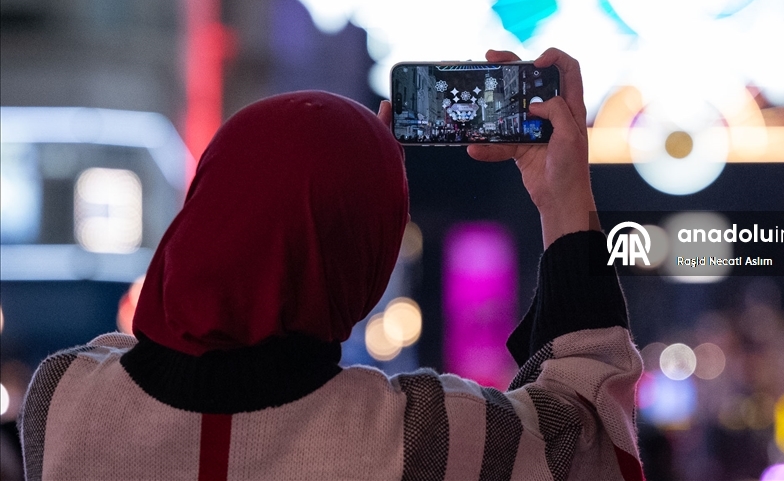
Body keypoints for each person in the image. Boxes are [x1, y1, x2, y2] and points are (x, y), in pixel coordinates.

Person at [18, 49, 643, 481]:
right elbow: (588, 446)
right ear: (361, 265)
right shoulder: (420, 437)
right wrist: (563, 195)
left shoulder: (63, 397)